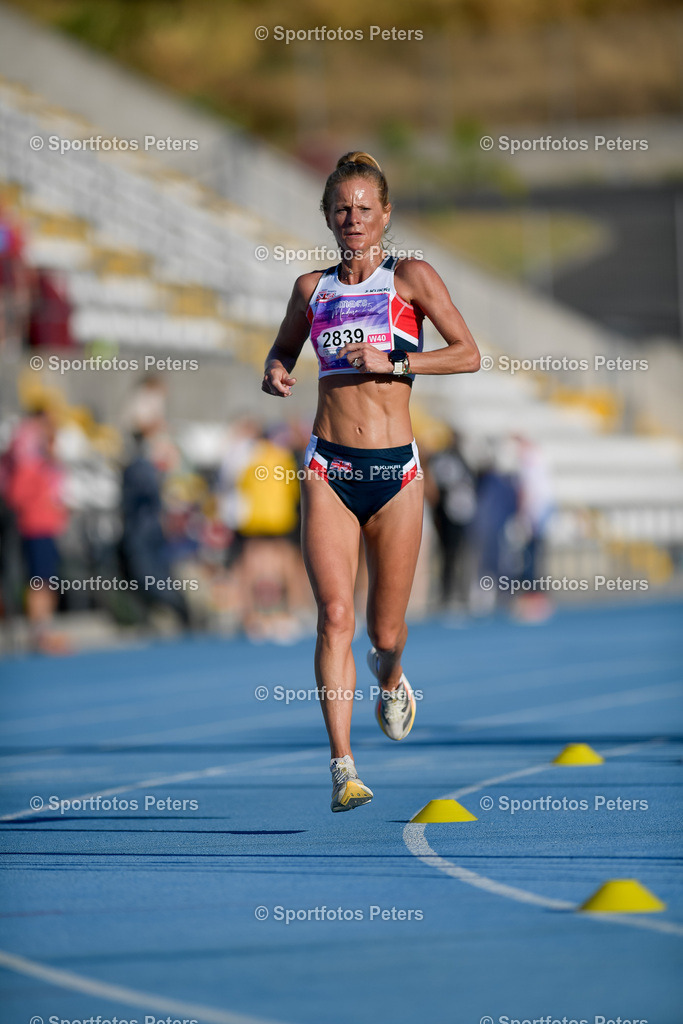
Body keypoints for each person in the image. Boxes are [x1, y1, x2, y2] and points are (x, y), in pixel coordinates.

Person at [262, 152, 480, 812]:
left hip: (395, 475)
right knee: (333, 617)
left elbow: (468, 353)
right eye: (341, 209)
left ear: (384, 214)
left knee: (384, 634)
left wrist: (398, 358)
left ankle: (391, 679)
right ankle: (342, 767)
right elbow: (282, 349)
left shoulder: (409, 278)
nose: (352, 219)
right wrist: (274, 369)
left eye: (364, 208)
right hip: (329, 467)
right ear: (327, 216)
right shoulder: (310, 289)